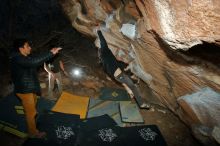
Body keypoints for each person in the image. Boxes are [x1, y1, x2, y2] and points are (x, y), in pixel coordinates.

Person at [10, 38, 62, 138]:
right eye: (27, 46)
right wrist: (51, 53)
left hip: (29, 88)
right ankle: (33, 132)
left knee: (32, 109)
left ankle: (31, 117)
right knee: (31, 112)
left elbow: (36, 59)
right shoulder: (17, 58)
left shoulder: (25, 57)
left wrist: (49, 53)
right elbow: (35, 62)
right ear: (21, 48)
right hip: (25, 90)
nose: (30, 47)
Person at [95, 27, 151, 109]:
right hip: (120, 75)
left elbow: (115, 70)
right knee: (133, 86)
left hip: (118, 77)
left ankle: (129, 91)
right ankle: (141, 103)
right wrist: (98, 31)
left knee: (130, 85)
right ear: (102, 51)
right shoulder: (105, 51)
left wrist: (125, 68)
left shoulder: (104, 64)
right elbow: (103, 41)